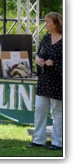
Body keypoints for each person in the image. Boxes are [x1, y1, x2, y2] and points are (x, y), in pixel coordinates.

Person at [27, 12, 63, 150]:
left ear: (56, 24)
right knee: (40, 110)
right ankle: (38, 140)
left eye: (48, 22)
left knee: (57, 112)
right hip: (43, 80)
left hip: (58, 81)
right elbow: (38, 54)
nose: (46, 24)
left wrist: (54, 63)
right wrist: (37, 59)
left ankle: (57, 142)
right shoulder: (46, 38)